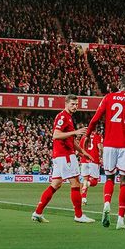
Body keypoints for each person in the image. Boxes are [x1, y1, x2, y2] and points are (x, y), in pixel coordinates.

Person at [85, 77, 125, 230]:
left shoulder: (109, 97)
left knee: (109, 177)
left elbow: (95, 119)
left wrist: (88, 134)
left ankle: (107, 202)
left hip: (108, 145)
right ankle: (120, 220)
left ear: (119, 86)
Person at [32, 95, 95, 224]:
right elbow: (56, 135)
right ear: (66, 103)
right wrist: (74, 132)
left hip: (60, 156)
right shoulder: (63, 116)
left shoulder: (69, 118)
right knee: (76, 183)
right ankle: (79, 215)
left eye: (76, 104)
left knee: (55, 184)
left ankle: (37, 213)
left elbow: (71, 140)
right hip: (65, 155)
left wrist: (83, 152)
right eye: (72, 104)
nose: (75, 107)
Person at [79, 131, 103, 206]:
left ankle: (83, 199)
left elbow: (79, 149)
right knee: (94, 181)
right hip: (93, 160)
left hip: (84, 160)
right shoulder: (97, 136)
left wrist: (82, 156)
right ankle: (87, 184)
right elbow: (100, 148)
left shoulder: (83, 137)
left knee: (84, 180)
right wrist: (101, 156)